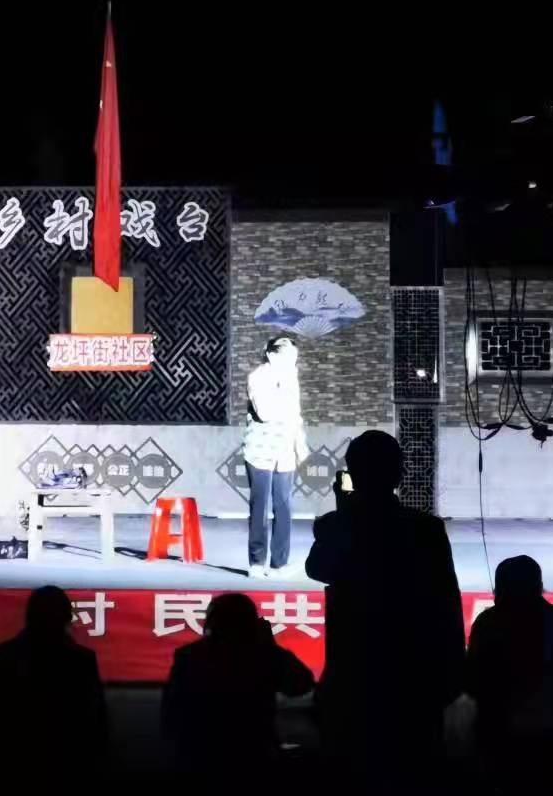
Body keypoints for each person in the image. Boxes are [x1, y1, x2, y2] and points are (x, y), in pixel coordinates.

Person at [305, 429, 464, 791]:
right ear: (398, 474)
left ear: (353, 475)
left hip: (353, 676)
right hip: (414, 677)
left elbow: (319, 568)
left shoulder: (337, 525)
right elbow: (447, 602)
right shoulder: (426, 530)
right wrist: (452, 671)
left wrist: (344, 513)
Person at [161, 593, 314, 784]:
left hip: (200, 756)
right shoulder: (263, 655)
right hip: (254, 754)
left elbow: (170, 712)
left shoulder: (189, 655)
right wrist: (271, 647)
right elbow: (301, 685)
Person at [465, 555, 553, 790]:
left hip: (499, 733)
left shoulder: (487, 623)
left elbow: (474, 681)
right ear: (538, 586)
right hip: (550, 731)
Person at [0, 587, 107, 796]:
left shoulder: (3, 656)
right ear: (66, 618)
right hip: (67, 764)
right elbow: (95, 721)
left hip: (15, 766)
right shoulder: (81, 661)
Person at [242, 336, 310, 577]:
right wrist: (283, 390)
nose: (292, 361)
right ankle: (256, 562)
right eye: (288, 356)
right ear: (271, 355)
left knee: (284, 506)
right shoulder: (257, 377)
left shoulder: (291, 378)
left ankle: (279, 563)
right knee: (259, 506)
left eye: (294, 357)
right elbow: (265, 412)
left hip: (285, 450)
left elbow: (296, 415)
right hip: (260, 450)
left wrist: (300, 446)